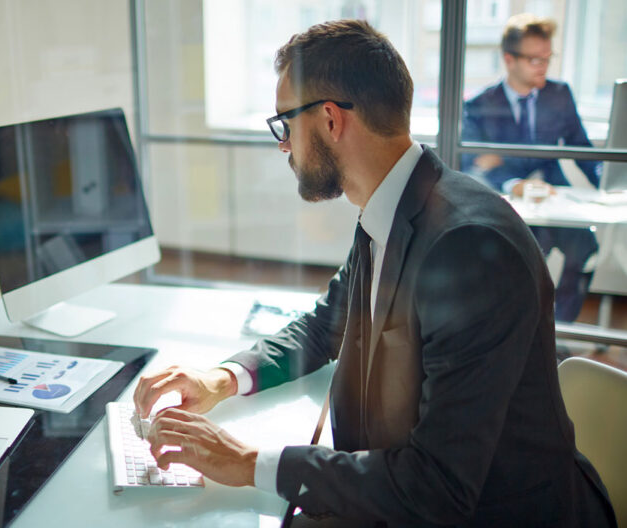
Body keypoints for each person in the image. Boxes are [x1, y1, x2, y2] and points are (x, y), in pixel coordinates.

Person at [134, 20, 615, 527]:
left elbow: (438, 488)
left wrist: (248, 462)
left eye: (284, 126)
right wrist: (223, 378)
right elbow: (327, 323)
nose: (283, 147)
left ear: (328, 120)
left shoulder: (468, 247)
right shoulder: (394, 206)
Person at [461, 14, 600, 322]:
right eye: (534, 59)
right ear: (509, 59)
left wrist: (608, 179)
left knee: (586, 249)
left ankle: (559, 328)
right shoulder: (480, 104)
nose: (543, 66)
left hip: (553, 194)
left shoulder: (559, 94)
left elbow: (581, 148)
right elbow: (472, 163)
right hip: (508, 201)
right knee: (525, 263)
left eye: (547, 59)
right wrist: (513, 182)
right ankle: (522, 332)